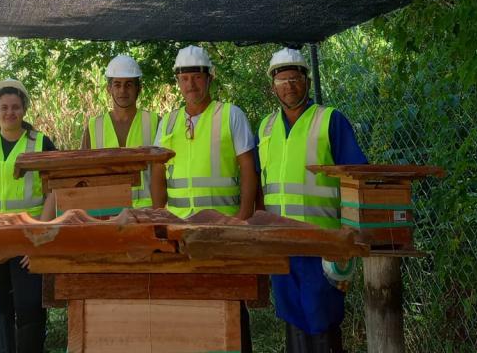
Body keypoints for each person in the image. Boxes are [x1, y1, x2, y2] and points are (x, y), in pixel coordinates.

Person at [257, 48, 368, 353]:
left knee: (322, 314)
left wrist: (348, 238)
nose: (289, 86)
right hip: (281, 242)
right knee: (290, 311)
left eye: (295, 79)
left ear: (306, 81)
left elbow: (355, 178)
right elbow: (258, 181)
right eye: (282, 81)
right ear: (273, 87)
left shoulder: (329, 121)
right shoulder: (266, 127)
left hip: (322, 243)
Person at [149, 45, 258, 353]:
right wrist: (159, 216)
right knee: (189, 303)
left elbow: (248, 169)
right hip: (180, 231)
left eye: (196, 77)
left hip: (223, 229)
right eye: (184, 78)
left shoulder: (230, 115)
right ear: (178, 82)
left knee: (230, 301)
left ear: (209, 78)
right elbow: (158, 171)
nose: (191, 84)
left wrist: (242, 218)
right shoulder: (168, 122)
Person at [0, 79, 56, 353]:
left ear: (24, 110)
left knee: (30, 306)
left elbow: (54, 192)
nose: (10, 112)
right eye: (4, 107)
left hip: (29, 239)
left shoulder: (41, 143)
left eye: (16, 107)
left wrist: (39, 239)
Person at [80, 54, 159, 208]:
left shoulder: (156, 122)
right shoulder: (94, 126)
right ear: (109, 88)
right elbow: (84, 175)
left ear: (138, 88)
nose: (123, 90)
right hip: (106, 213)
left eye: (128, 84)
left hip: (146, 213)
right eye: (117, 84)